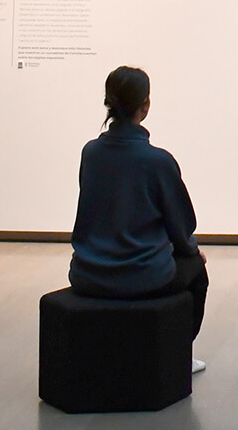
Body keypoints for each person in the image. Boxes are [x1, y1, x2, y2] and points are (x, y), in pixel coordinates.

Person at [68, 66, 210, 373]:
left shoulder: (90, 153)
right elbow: (182, 226)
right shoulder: (158, 161)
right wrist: (191, 251)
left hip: (87, 273)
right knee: (197, 271)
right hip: (144, 276)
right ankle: (177, 356)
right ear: (145, 106)